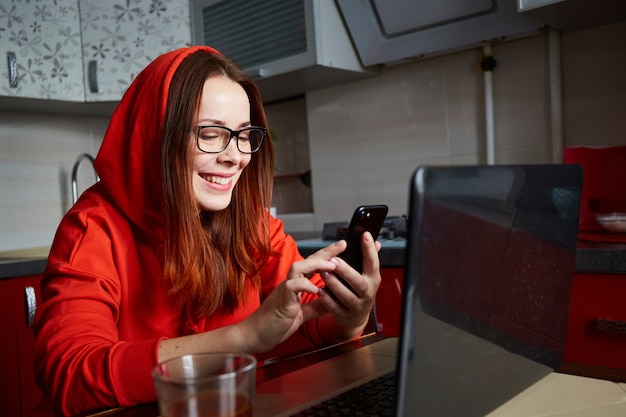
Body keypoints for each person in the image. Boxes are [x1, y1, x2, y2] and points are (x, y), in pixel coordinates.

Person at [33, 46, 382, 416]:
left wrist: (349, 316)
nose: (236, 155)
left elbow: (308, 321)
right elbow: (70, 374)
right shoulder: (92, 229)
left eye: (244, 135)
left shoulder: (254, 224)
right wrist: (242, 338)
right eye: (212, 133)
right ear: (158, 136)